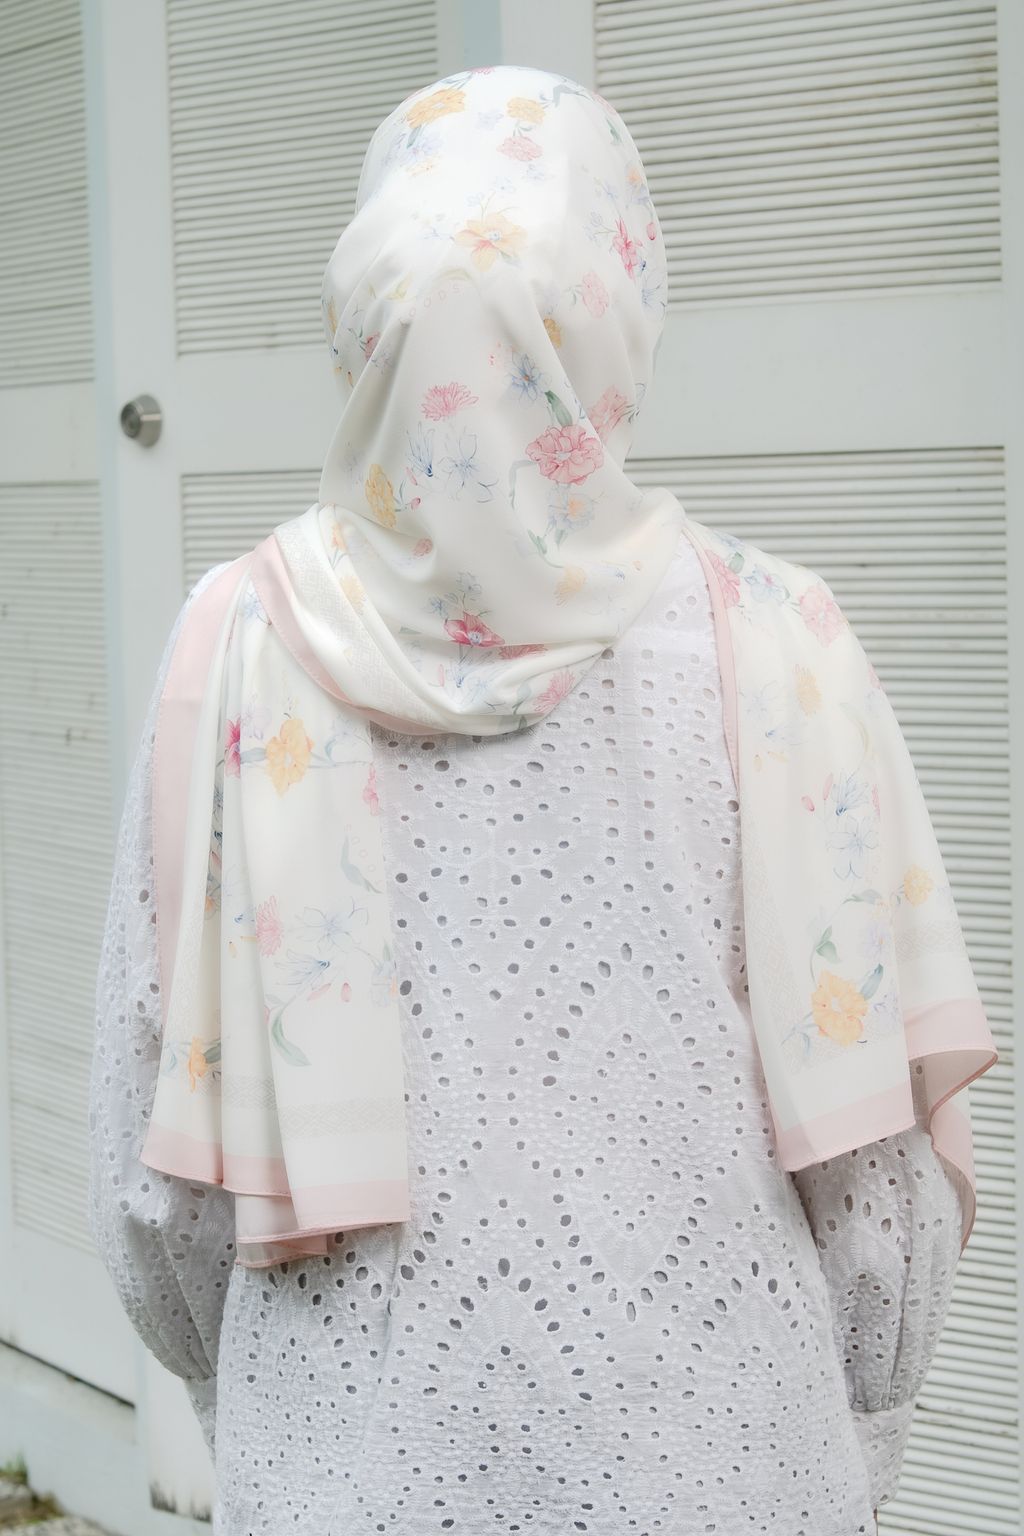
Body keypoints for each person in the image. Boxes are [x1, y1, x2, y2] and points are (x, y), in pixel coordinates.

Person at [89, 65, 996, 1535]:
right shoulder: (782, 642)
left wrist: (251, 1407)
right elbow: (875, 1174)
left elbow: (155, 1176)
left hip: (345, 1477)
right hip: (732, 1469)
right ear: (620, 308)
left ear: (365, 317)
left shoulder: (235, 645)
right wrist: (863, 1428)